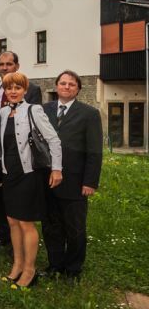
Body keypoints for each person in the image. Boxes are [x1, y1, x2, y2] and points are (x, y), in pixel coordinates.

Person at [0, 71, 62, 289]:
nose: (13, 91)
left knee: (26, 222)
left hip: (28, 173)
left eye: (17, 87)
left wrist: (57, 169)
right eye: (9, 88)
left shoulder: (33, 110)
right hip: (9, 174)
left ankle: (29, 269)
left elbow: (53, 140)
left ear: (25, 90)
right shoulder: (3, 112)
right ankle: (17, 265)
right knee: (12, 221)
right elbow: (1, 146)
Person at [42, 70, 103, 280]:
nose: (66, 87)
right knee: (51, 226)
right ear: (56, 86)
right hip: (47, 179)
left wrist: (90, 182)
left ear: (78, 89)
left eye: (71, 84)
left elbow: (95, 151)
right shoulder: (44, 109)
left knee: (74, 228)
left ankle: (73, 269)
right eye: (63, 83)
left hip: (75, 181)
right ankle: (55, 265)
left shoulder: (89, 114)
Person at [0, 51, 43, 251]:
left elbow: (35, 124)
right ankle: (4, 237)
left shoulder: (32, 89)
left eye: (9, 64)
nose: (5, 68)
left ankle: (21, 239)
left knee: (20, 201)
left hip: (21, 155)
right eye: (1, 64)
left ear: (17, 66)